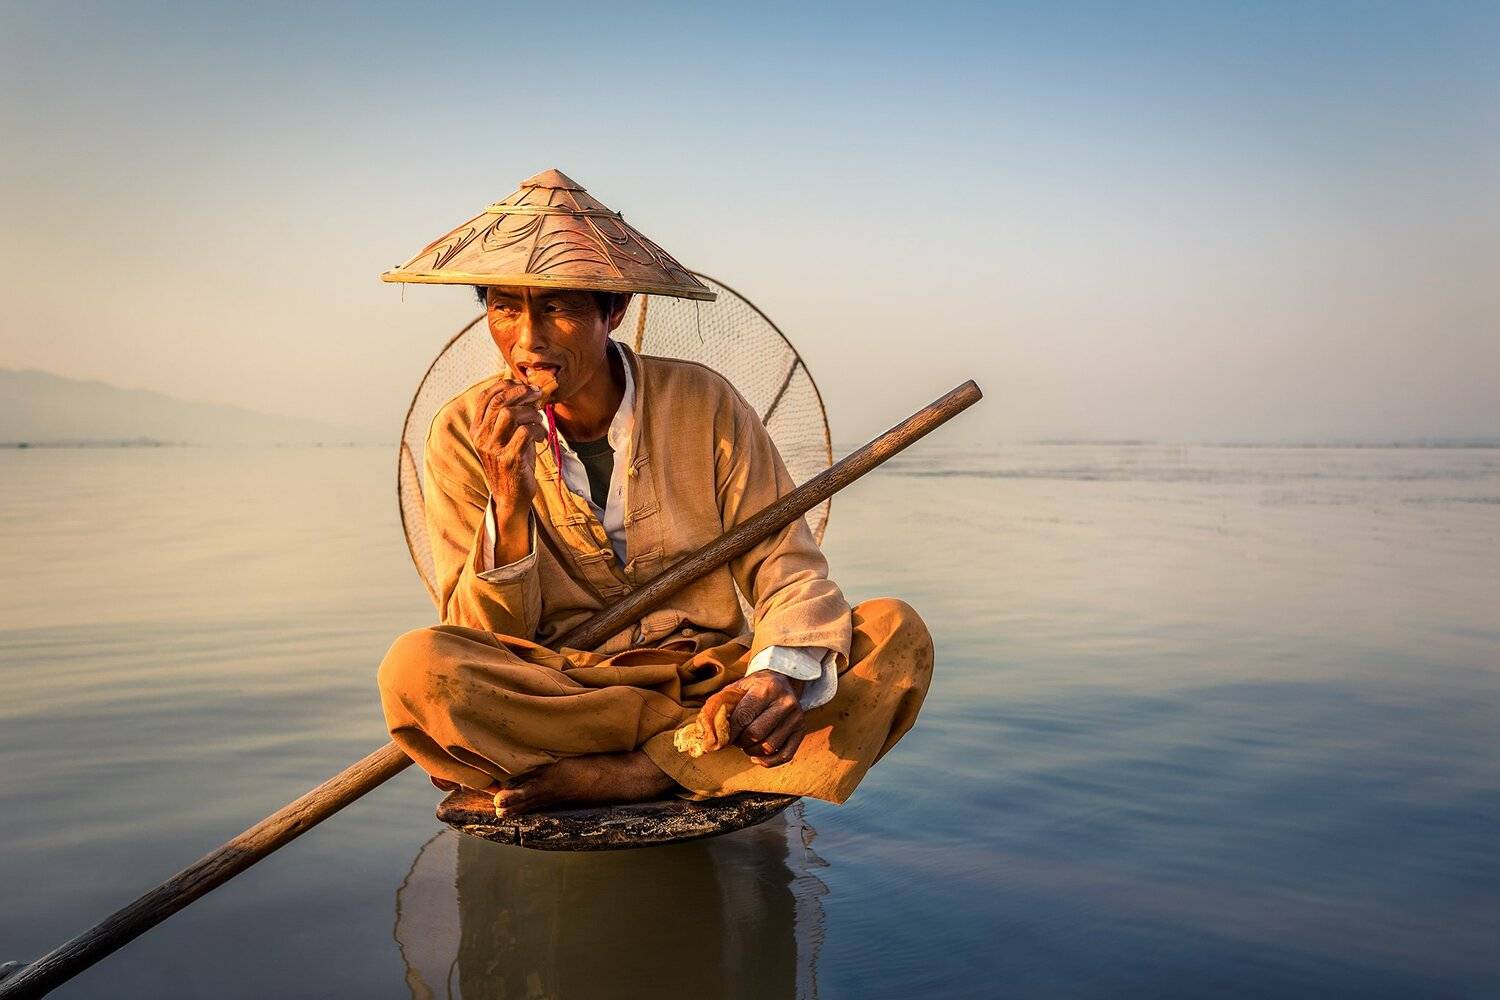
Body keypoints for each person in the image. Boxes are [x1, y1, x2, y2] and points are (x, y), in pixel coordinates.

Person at [376, 169, 933, 815]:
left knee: (896, 631)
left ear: (614, 311)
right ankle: (697, 762)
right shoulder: (465, 432)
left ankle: (638, 772)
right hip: (569, 695)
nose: (528, 340)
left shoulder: (705, 402)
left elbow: (786, 568)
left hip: (709, 683)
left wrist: (777, 676)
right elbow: (481, 636)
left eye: (558, 307)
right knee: (417, 668)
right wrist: (510, 497)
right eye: (505, 307)